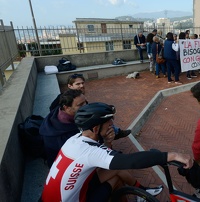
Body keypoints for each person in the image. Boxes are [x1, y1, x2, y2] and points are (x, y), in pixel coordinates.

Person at [41, 102, 192, 202]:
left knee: (117, 169)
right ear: (95, 129)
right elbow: (131, 161)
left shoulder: (75, 139)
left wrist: (108, 142)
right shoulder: (89, 151)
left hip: (55, 195)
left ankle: (140, 193)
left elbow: (107, 159)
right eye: (109, 124)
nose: (112, 126)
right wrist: (171, 155)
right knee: (116, 180)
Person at [49, 73, 130, 140]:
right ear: (70, 86)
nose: (81, 86)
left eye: (82, 83)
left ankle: (116, 132)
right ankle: (114, 135)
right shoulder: (63, 104)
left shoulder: (79, 97)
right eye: (78, 84)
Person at [40, 89, 87, 167]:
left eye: (85, 102)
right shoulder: (63, 136)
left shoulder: (59, 111)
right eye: (80, 105)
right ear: (67, 107)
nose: (85, 106)